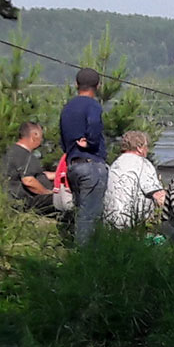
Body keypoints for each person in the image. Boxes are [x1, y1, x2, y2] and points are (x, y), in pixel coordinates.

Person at [59, 67, 108, 244]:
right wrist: (92, 143)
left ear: (76, 85)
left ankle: (75, 248)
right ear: (98, 86)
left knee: (81, 210)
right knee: (91, 216)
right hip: (91, 165)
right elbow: (94, 124)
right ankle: (85, 258)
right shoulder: (93, 105)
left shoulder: (67, 108)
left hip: (73, 164)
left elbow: (62, 140)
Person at [103, 130, 166, 229]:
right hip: (132, 223)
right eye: (146, 147)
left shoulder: (115, 164)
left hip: (109, 221)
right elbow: (159, 197)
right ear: (139, 148)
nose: (147, 150)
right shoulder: (142, 164)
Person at [1, 121, 55, 214]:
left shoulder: (15, 152)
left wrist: (61, 174)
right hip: (23, 202)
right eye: (41, 136)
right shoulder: (22, 154)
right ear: (34, 135)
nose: (41, 140)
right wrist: (46, 192)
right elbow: (28, 181)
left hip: (19, 200)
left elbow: (38, 175)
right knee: (64, 199)